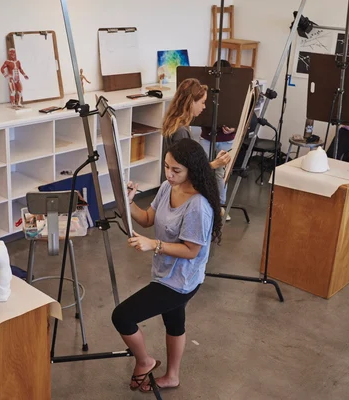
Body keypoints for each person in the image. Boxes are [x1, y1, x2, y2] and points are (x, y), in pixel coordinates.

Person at [111, 138, 222, 393]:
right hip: (166, 272)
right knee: (174, 321)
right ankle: (172, 376)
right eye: (166, 167)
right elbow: (148, 218)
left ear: (191, 171)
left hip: (180, 281)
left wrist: (154, 245)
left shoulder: (198, 206)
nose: (169, 174)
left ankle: (145, 361)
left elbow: (192, 251)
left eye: (176, 170)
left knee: (122, 317)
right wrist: (129, 203)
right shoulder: (167, 187)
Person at [161, 78, 231, 210]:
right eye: (202, 102)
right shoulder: (181, 131)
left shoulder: (173, 122)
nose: (204, 107)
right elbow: (188, 171)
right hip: (179, 189)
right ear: (190, 102)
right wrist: (216, 164)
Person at [198, 60, 239, 220]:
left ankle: (219, 207)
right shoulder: (206, 92)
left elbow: (244, 114)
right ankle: (203, 204)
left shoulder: (235, 91)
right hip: (207, 138)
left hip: (227, 140)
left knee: (221, 174)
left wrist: (234, 127)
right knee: (203, 170)